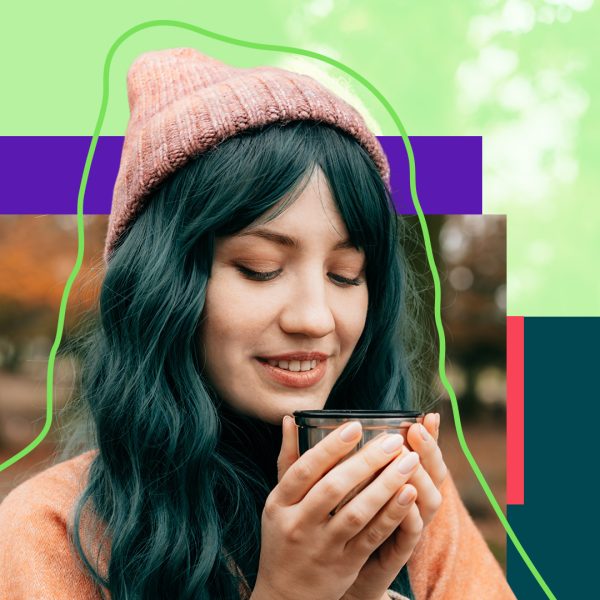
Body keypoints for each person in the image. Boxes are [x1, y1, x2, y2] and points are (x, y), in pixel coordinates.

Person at [0, 48, 515, 599]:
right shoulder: (50, 529)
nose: (315, 318)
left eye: (346, 275)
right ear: (161, 288)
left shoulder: (397, 499)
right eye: (260, 268)